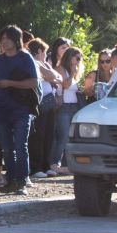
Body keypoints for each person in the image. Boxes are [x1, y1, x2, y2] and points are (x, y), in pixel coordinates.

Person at [0, 25, 40, 194]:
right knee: (7, 147)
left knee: (20, 145)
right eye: (2, 39)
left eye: (7, 39)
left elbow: (34, 82)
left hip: (21, 108)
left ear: (16, 40)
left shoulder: (26, 58)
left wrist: (10, 83)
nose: (4, 42)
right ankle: (10, 180)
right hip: (2, 109)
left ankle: (22, 181)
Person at [27, 38, 60, 179]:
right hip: (39, 104)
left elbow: (57, 77)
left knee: (48, 136)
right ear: (39, 51)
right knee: (38, 136)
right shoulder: (34, 62)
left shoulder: (43, 63)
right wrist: (50, 74)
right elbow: (52, 75)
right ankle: (36, 167)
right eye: (45, 52)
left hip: (49, 105)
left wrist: (50, 74)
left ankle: (46, 166)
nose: (46, 55)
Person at [51, 46, 84, 174]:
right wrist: (73, 72)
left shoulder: (75, 71)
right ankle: (54, 163)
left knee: (70, 137)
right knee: (63, 136)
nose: (78, 60)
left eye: (80, 58)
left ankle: (66, 164)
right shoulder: (61, 69)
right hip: (64, 107)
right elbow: (65, 85)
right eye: (76, 58)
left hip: (74, 107)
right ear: (69, 57)